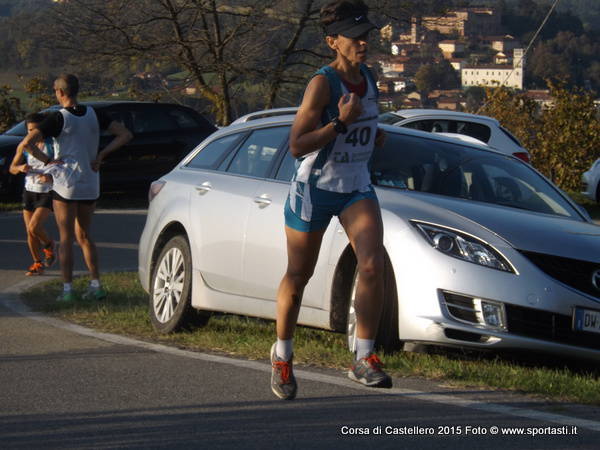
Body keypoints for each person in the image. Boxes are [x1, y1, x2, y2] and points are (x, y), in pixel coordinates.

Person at [271, 0, 391, 400]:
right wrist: (340, 123)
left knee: (373, 265)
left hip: (356, 186)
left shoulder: (370, 78)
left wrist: (372, 136)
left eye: (366, 35)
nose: (363, 43)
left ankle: (364, 357)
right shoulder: (322, 84)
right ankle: (283, 355)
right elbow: (296, 145)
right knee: (298, 276)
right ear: (332, 42)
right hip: (315, 188)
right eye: (355, 37)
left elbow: (362, 126)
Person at [17, 74, 132, 302]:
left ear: (59, 92)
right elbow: (125, 135)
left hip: (65, 183)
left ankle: (67, 290)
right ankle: (96, 284)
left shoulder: (57, 118)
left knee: (66, 237)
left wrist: (48, 161)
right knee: (85, 236)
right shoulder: (95, 113)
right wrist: (101, 154)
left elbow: (27, 144)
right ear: (77, 91)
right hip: (90, 180)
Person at [9, 113, 56, 276]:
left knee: (34, 227)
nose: (32, 134)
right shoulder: (24, 146)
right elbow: (12, 168)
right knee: (30, 232)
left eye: (35, 130)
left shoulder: (53, 144)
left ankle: (49, 245)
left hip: (47, 191)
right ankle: (37, 263)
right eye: (29, 130)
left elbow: (64, 165)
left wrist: (50, 176)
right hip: (29, 190)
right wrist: (20, 168)